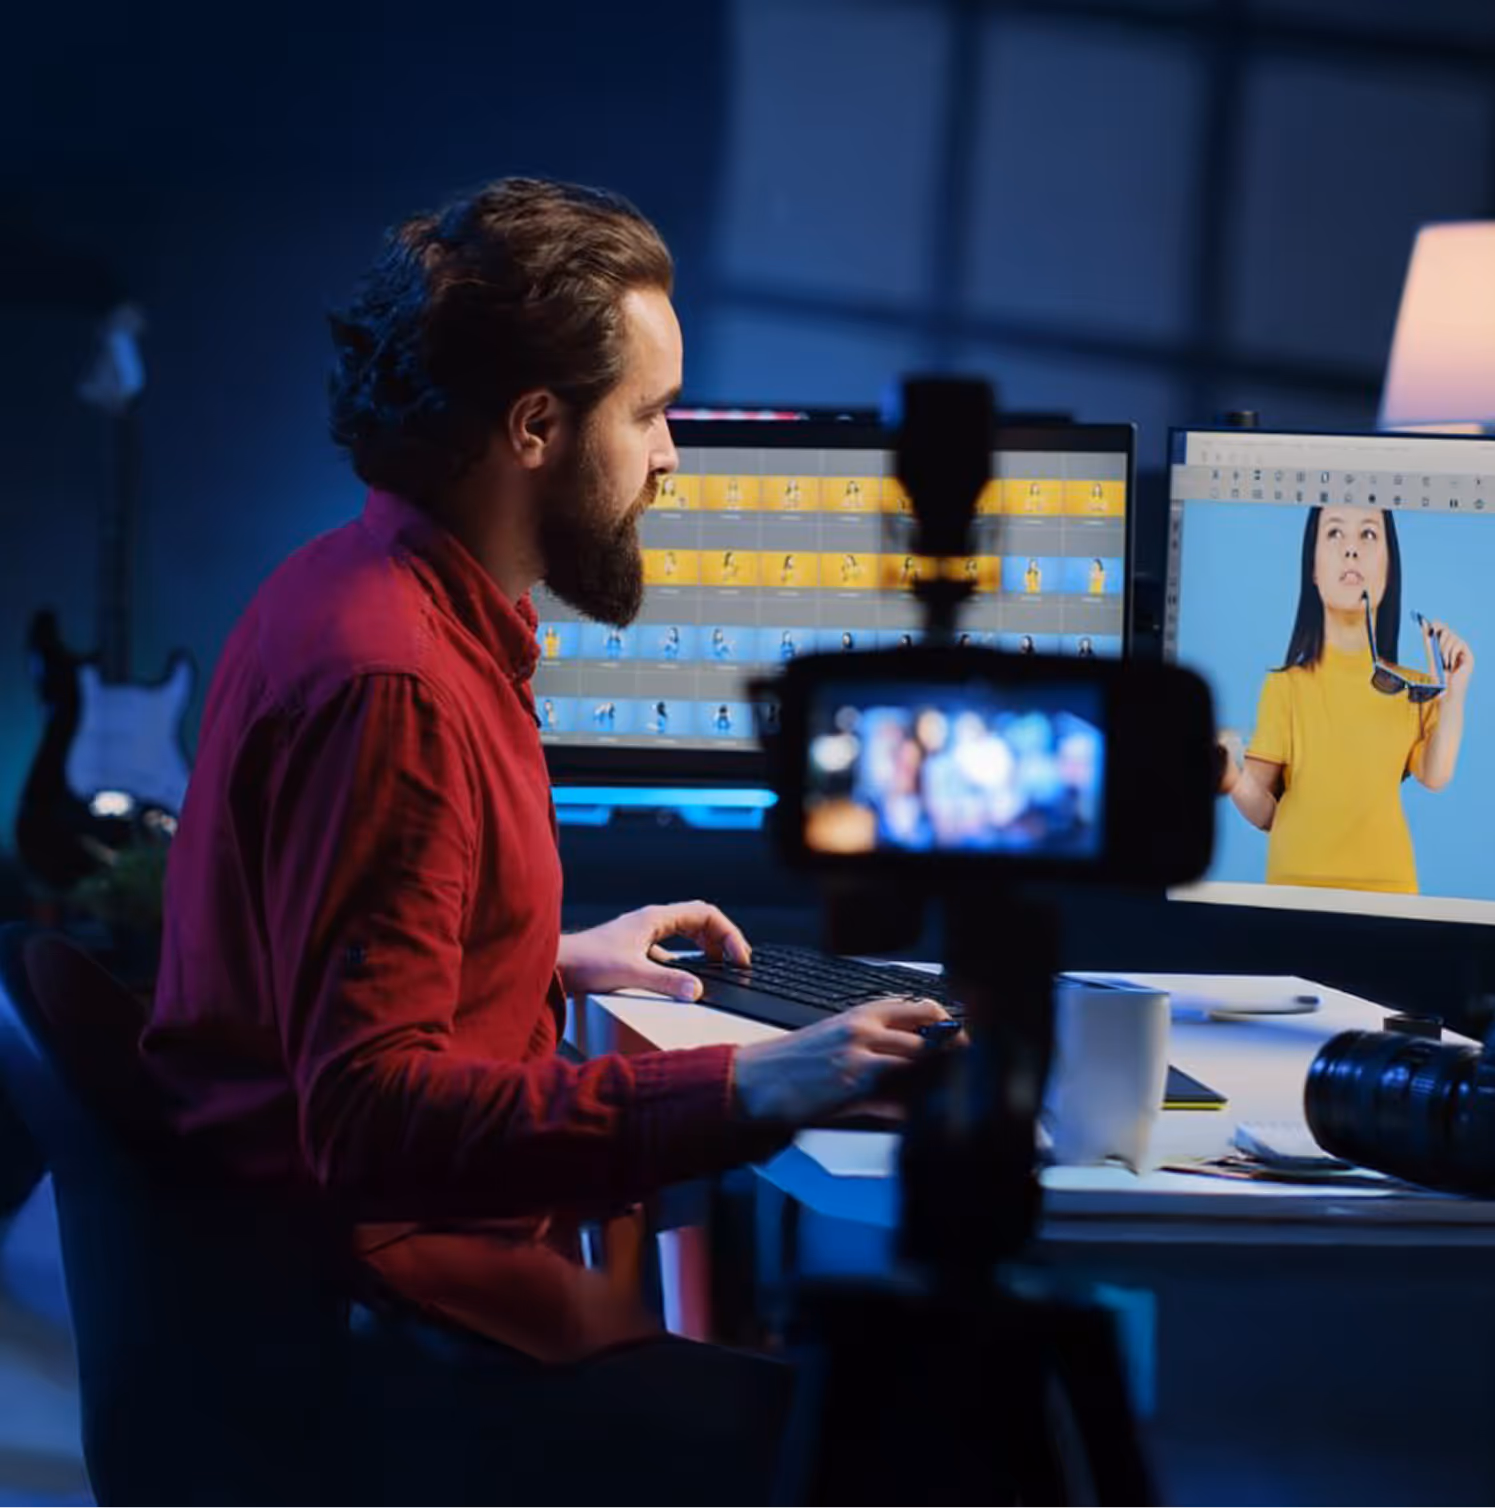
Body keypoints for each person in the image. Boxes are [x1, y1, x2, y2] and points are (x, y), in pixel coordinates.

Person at [143, 178, 948, 1503]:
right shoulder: (395, 683)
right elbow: (370, 1114)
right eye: (648, 414)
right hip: (385, 1327)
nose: (674, 455)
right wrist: (752, 1089)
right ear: (534, 426)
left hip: (322, 1290)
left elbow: (316, 961)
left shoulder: (351, 590)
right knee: (875, 1453)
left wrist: (539, 955)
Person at [1217, 507, 1473, 894]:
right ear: (1314, 569)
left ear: (1389, 566)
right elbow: (1267, 813)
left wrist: (1453, 693)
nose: (1351, 549)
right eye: (1335, 533)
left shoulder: (1415, 686)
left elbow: (1436, 775)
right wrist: (1232, 778)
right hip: (1293, 892)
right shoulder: (1285, 687)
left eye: (1368, 535)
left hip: (1389, 894)